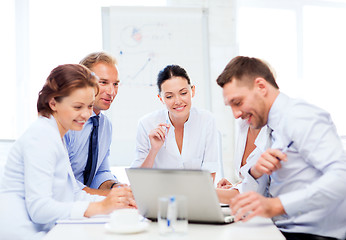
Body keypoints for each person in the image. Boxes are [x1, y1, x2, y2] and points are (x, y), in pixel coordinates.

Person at [216, 56, 346, 240]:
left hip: (311, 234)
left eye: (238, 103)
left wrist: (276, 205)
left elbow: (342, 176)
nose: (236, 114)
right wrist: (255, 171)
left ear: (261, 86)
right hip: (283, 229)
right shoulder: (272, 126)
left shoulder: (299, 116)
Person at [0, 64, 136, 240]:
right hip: (23, 232)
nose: (86, 115)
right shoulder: (41, 137)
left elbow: (73, 195)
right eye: (78, 107)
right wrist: (101, 207)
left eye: (89, 106)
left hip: (45, 229)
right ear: (53, 103)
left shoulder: (56, 135)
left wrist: (115, 203)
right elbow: (40, 209)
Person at [131, 65, 219, 180]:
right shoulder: (146, 124)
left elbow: (210, 172)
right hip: (159, 195)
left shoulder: (207, 120)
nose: (178, 101)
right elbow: (138, 180)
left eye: (183, 93)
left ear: (192, 91)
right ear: (161, 98)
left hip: (196, 195)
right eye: (169, 96)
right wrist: (153, 150)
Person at [64, 52, 123, 196]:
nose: (111, 92)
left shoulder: (105, 125)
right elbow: (63, 180)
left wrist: (115, 187)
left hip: (84, 206)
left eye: (115, 84)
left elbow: (101, 172)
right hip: (60, 203)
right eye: (103, 82)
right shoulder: (65, 122)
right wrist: (105, 197)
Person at [216, 121, 271, 203]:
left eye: (238, 107)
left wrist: (207, 193)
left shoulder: (274, 133)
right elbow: (252, 182)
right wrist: (235, 187)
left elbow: (259, 190)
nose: (236, 114)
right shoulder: (244, 126)